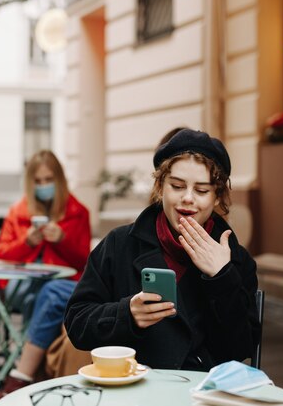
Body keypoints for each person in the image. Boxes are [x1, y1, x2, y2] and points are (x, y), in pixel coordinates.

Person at [64, 128, 260, 371]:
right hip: (133, 388)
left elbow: (241, 349)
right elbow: (77, 324)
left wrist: (221, 277)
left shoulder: (235, 259)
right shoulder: (119, 245)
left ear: (217, 197)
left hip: (202, 392)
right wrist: (127, 315)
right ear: (160, 188)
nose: (188, 198)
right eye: (177, 186)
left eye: (201, 190)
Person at [0, 150, 91, 405]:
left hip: (60, 286)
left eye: (49, 180)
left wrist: (63, 241)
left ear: (60, 180)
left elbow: (85, 262)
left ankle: (22, 378)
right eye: (39, 181)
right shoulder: (18, 211)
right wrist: (27, 242)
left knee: (47, 294)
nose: (44, 186)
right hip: (22, 285)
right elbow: (2, 254)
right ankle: (32, 378)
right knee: (42, 294)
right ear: (30, 183)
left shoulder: (77, 212)